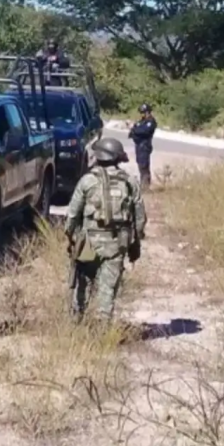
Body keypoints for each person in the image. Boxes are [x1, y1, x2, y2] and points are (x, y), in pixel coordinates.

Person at [63, 137, 147, 325]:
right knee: (108, 289)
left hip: (89, 244)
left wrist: (71, 237)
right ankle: (102, 326)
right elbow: (140, 217)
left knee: (82, 283)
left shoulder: (87, 181)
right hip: (117, 244)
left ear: (99, 156)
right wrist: (135, 242)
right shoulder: (130, 182)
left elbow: (72, 214)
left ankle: (77, 323)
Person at [128, 104, 157, 191]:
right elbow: (134, 129)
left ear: (148, 112)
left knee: (144, 166)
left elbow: (144, 131)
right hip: (139, 145)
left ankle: (145, 187)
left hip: (144, 146)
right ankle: (142, 185)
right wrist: (133, 130)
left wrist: (135, 130)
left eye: (143, 113)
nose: (142, 114)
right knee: (140, 165)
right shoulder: (142, 121)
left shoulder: (151, 122)